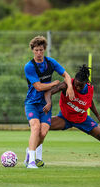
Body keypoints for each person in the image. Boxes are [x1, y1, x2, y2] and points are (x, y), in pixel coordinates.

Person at [23, 35, 75, 169]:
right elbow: (39, 87)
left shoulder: (50, 62)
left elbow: (66, 75)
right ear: (32, 50)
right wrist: (54, 83)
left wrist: (69, 87)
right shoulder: (29, 66)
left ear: (44, 49)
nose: (39, 53)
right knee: (35, 127)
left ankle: (30, 152)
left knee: (43, 132)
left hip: (45, 103)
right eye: (36, 50)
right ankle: (31, 162)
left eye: (41, 50)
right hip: (32, 103)